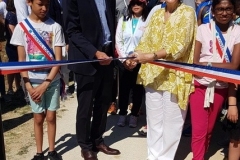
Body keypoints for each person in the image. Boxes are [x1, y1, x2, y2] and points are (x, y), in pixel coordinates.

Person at [127, 0, 197, 159]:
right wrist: (135, 56)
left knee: (172, 125)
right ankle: (153, 156)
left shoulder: (187, 12)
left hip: (175, 76)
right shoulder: (157, 13)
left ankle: (165, 157)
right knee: (154, 122)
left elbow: (180, 46)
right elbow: (145, 41)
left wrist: (151, 56)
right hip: (153, 75)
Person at [63, 0, 120, 160]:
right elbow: (72, 30)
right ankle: (85, 145)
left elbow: (111, 24)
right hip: (87, 58)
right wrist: (94, 52)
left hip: (107, 57)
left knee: (103, 103)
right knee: (85, 106)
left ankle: (98, 140)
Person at [10, 0, 65, 159]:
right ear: (29, 3)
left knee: (51, 117)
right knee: (38, 117)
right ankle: (39, 152)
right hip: (32, 82)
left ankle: (52, 150)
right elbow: (21, 61)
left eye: (47, 5)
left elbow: (58, 61)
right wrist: (28, 85)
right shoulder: (22, 27)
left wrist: (46, 84)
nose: (44, 8)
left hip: (52, 81)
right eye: (40, 4)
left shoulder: (55, 27)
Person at [190, 0, 240, 159]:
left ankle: (201, 155)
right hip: (200, 85)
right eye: (219, 9)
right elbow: (195, 62)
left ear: (233, 10)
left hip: (221, 87)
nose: (224, 13)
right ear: (213, 11)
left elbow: (234, 66)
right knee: (199, 131)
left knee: (209, 130)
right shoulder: (203, 29)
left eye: (228, 9)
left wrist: (208, 64)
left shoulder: (238, 31)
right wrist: (209, 66)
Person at [115, 0, 147, 128]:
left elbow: (147, 41)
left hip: (140, 61)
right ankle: (122, 114)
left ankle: (134, 115)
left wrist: (138, 58)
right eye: (133, 3)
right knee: (123, 90)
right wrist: (124, 59)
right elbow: (118, 40)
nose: (136, 6)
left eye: (139, 3)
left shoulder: (147, 22)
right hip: (125, 61)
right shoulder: (123, 20)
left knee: (138, 90)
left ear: (144, 4)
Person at [5, 0, 21, 98]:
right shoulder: (10, 15)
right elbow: (13, 33)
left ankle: (18, 86)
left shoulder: (15, 14)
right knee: (12, 68)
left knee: (18, 68)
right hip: (12, 46)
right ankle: (10, 88)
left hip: (16, 46)